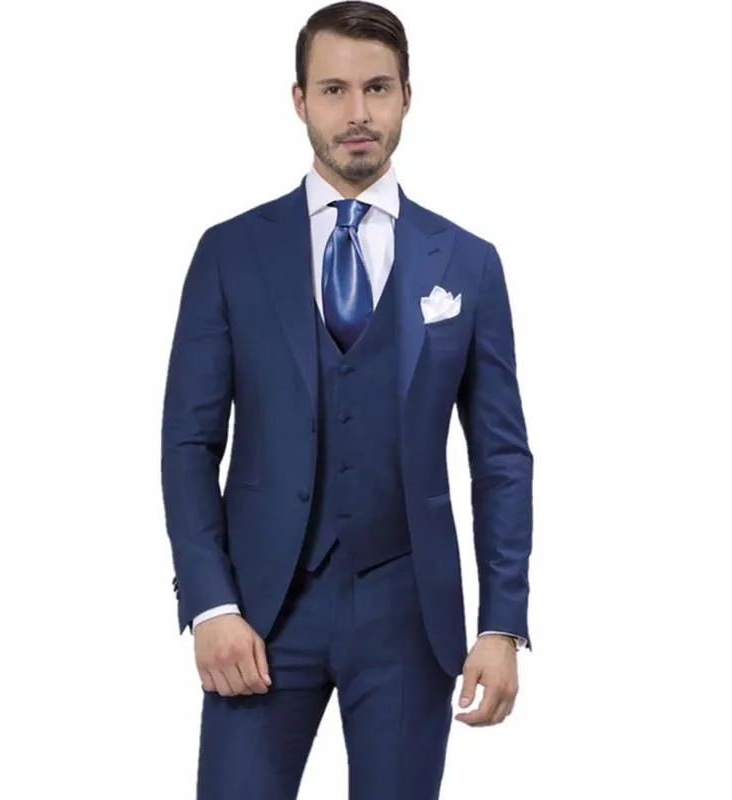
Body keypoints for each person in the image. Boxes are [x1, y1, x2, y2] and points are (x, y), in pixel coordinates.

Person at [160, 2, 533, 797]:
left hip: (408, 616)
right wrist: (211, 605)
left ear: (407, 97)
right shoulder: (230, 253)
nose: (357, 112)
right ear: (300, 100)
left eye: (377, 88)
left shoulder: (468, 262)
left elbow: (501, 458)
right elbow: (189, 444)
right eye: (333, 90)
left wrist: (502, 624)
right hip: (259, 613)